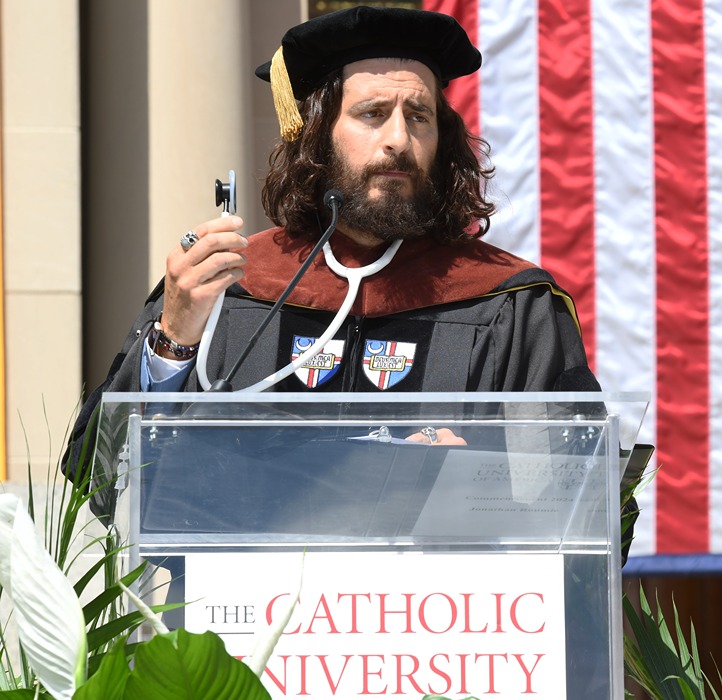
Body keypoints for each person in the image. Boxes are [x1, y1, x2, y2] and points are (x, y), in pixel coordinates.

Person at [66, 6, 599, 464]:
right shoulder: (232, 286)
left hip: (443, 586)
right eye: (372, 114)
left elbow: (584, 499)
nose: (399, 139)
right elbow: (105, 479)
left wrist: (477, 475)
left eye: (419, 116)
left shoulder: (510, 302)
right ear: (316, 135)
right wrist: (174, 343)